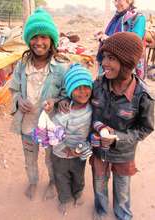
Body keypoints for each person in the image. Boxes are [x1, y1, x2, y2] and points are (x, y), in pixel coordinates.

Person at [90, 32, 154, 220]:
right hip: (98, 150)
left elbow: (145, 128)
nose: (104, 63)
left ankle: (123, 215)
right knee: (99, 183)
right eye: (104, 57)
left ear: (127, 63)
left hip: (123, 153)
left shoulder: (142, 95)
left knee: (122, 188)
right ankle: (100, 211)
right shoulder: (99, 84)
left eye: (111, 58)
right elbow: (86, 108)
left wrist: (117, 138)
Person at [9, 8, 69, 200]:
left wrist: (56, 101)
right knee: (30, 158)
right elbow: (14, 90)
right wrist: (19, 99)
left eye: (44, 36)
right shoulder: (22, 65)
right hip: (27, 124)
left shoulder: (61, 68)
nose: (38, 42)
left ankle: (52, 182)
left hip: (50, 125)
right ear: (28, 40)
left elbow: (67, 96)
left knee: (51, 158)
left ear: (51, 40)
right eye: (34, 36)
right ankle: (33, 181)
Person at [51, 63, 93, 215]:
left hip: (79, 152)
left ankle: (78, 193)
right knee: (61, 177)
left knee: (78, 175)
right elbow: (55, 133)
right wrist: (65, 148)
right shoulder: (64, 110)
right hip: (60, 154)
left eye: (86, 86)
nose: (82, 91)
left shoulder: (92, 108)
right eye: (77, 87)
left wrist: (81, 148)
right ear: (69, 90)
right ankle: (64, 199)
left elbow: (92, 130)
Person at [97, 0, 146, 79]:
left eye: (119, 0)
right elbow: (111, 36)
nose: (116, 3)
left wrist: (109, 39)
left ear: (129, 1)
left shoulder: (138, 18)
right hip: (110, 62)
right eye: (114, 0)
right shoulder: (116, 18)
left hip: (126, 64)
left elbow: (135, 43)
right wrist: (103, 36)